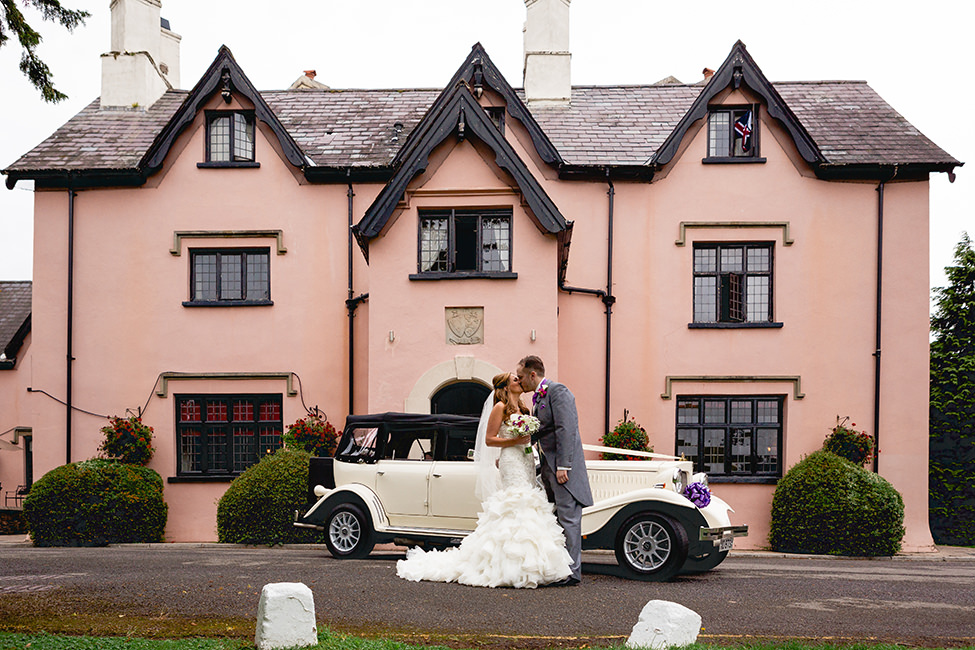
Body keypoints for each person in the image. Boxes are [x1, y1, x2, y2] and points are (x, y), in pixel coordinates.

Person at [396, 372, 572, 588]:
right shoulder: (499, 408)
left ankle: (532, 564)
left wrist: (528, 441)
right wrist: (515, 440)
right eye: (514, 380)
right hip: (511, 461)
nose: (519, 381)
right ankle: (510, 565)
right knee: (516, 504)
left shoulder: (523, 409)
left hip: (525, 459)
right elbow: (489, 439)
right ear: (505, 387)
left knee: (530, 503)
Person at [516, 355, 593, 587]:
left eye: (521, 377)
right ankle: (559, 567)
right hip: (548, 467)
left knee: (569, 519)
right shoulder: (538, 397)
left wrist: (564, 465)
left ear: (533, 374)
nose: (520, 382)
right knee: (556, 519)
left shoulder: (558, 392)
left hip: (562, 469)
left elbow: (566, 428)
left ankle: (572, 572)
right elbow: (541, 431)